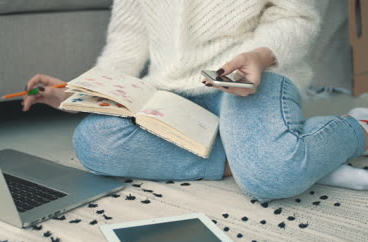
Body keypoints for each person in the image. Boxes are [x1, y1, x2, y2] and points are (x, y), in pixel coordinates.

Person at [22, 0, 368, 202]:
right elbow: (127, 42)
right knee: (93, 141)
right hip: (168, 93)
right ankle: (267, 152)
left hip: (247, 79)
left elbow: (296, 14)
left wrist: (260, 56)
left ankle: (357, 127)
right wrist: (81, 92)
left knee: (270, 178)